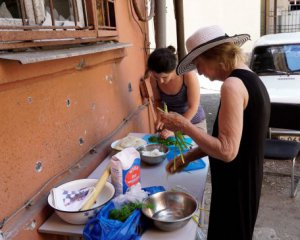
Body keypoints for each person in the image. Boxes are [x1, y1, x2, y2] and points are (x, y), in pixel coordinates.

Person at [159, 26, 271, 240]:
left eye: (199, 65)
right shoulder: (250, 78)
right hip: (245, 180)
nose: (199, 72)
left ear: (215, 56)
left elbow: (227, 150)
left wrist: (184, 125)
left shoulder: (232, 86)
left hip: (235, 187)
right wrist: (188, 157)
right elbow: (227, 139)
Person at [146, 46, 207, 139]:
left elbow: (193, 107)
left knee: (194, 151)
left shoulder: (188, 75)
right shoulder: (153, 79)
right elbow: (158, 101)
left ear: (174, 69)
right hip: (171, 124)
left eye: (165, 77)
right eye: (157, 77)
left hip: (193, 123)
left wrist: (175, 129)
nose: (161, 81)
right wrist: (160, 118)